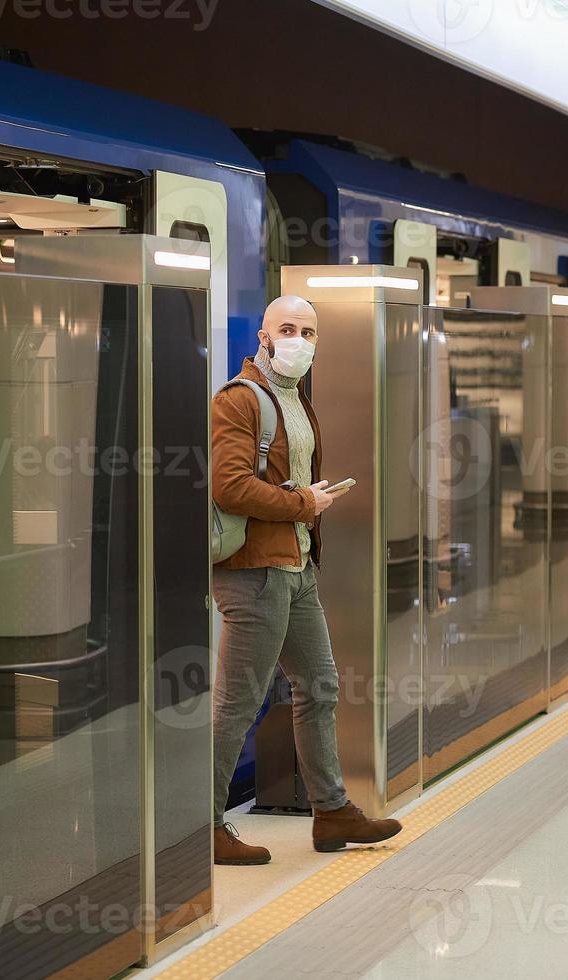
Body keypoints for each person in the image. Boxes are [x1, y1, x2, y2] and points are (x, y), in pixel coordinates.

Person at [208, 294, 403, 865]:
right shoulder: (238, 401)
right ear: (263, 337)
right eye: (287, 329)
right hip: (254, 573)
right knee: (238, 704)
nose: (298, 339)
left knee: (318, 688)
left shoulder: (294, 399)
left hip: (297, 569)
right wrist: (302, 503)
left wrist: (308, 506)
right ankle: (202, 825)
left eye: (309, 332)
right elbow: (229, 486)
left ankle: (332, 811)